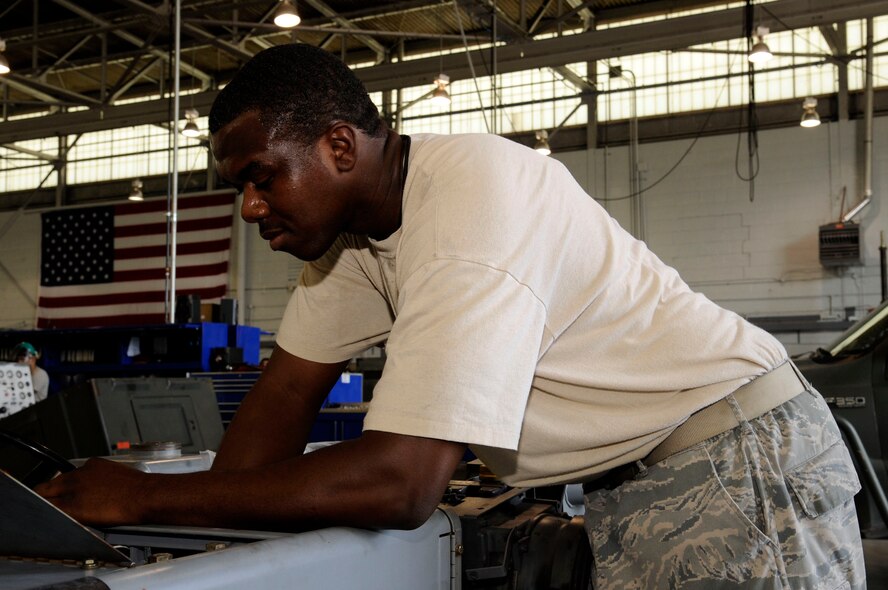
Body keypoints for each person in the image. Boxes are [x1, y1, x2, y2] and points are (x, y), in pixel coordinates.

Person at [36, 44, 864, 588]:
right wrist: (180, 542)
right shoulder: (351, 244)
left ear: (337, 146)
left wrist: (141, 499)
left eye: (262, 175)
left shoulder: (470, 202)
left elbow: (401, 483)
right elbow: (280, 405)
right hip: (630, 485)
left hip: (729, 462)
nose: (250, 208)